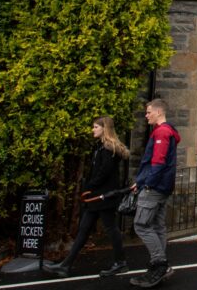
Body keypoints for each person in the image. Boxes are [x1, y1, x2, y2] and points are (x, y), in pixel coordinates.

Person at [44, 116, 130, 278]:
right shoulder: (101, 148)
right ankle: (66, 265)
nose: (93, 130)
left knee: (111, 229)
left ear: (104, 129)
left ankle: (121, 263)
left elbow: (103, 173)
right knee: (84, 230)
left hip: (104, 197)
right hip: (96, 196)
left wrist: (89, 187)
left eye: (96, 127)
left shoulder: (108, 149)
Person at [130, 99, 181, 288]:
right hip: (164, 187)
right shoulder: (168, 132)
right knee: (157, 226)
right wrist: (140, 182)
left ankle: (160, 264)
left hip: (155, 188)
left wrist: (147, 184)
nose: (146, 115)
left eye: (149, 112)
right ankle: (159, 266)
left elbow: (157, 162)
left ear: (159, 112)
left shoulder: (161, 132)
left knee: (141, 225)